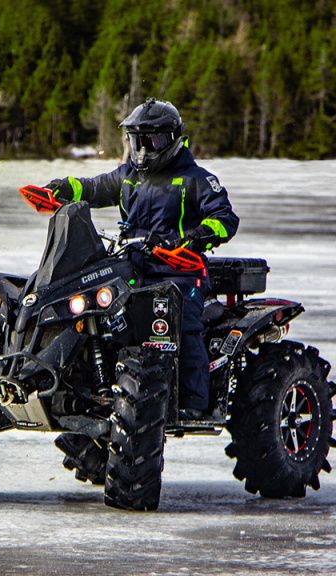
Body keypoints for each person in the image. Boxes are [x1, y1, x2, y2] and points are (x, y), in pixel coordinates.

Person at [44, 97, 239, 420]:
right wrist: (66, 188)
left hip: (179, 272)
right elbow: (94, 188)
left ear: (174, 138)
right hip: (130, 267)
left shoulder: (197, 179)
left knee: (181, 324)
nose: (145, 149)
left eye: (154, 140)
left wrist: (195, 236)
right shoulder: (128, 176)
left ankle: (193, 400)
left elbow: (225, 217)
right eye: (138, 140)